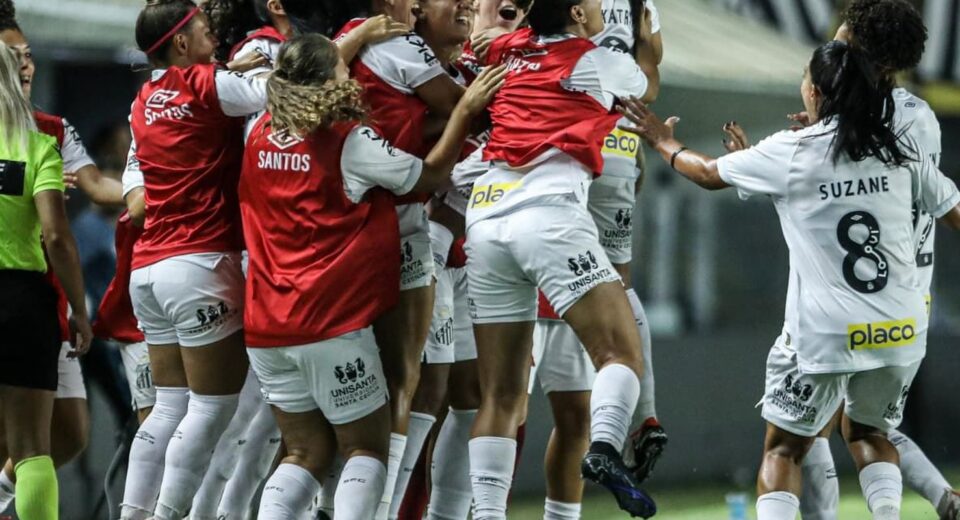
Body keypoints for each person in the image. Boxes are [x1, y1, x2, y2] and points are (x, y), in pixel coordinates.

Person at [619, 40, 960, 520]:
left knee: (783, 451)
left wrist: (661, 140)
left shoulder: (794, 150)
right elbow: (951, 210)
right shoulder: (901, 148)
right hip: (900, 325)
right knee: (868, 434)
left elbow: (708, 173)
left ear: (816, 93)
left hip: (825, 333)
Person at [238, 33, 505, 519]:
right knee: (367, 450)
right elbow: (426, 177)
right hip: (327, 324)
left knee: (304, 452)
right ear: (325, 81)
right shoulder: (348, 141)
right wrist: (465, 112)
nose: (351, 80)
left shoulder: (258, 130)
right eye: (342, 72)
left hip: (265, 327)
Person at [462, 0, 659, 517]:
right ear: (576, 13)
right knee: (622, 353)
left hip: (485, 217)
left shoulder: (508, 50)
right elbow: (643, 88)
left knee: (501, 396)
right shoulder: (596, 59)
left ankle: (485, 513)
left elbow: (488, 46)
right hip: (548, 214)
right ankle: (605, 449)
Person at [790, 2, 960, 519]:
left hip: (853, 282)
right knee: (864, 424)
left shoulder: (864, 117)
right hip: (909, 290)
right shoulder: (919, 115)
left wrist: (816, 135)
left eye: (844, 42)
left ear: (866, 55)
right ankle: (944, 499)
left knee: (808, 421)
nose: (834, 48)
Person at [118, 2, 267, 519]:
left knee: (167, 407)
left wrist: (226, 72)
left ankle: (134, 514)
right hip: (200, 261)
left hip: (149, 267)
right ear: (181, 43)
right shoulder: (208, 85)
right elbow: (283, 90)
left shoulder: (143, 99)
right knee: (211, 408)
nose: (215, 40)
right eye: (206, 32)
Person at [524, 2, 664, 517]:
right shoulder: (627, 11)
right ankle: (642, 421)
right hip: (591, 152)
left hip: (531, 174)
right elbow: (649, 77)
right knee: (506, 406)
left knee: (520, 409)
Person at [0, 40, 92, 520]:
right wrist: (78, 309)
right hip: (21, 302)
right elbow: (57, 237)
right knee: (32, 447)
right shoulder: (38, 147)